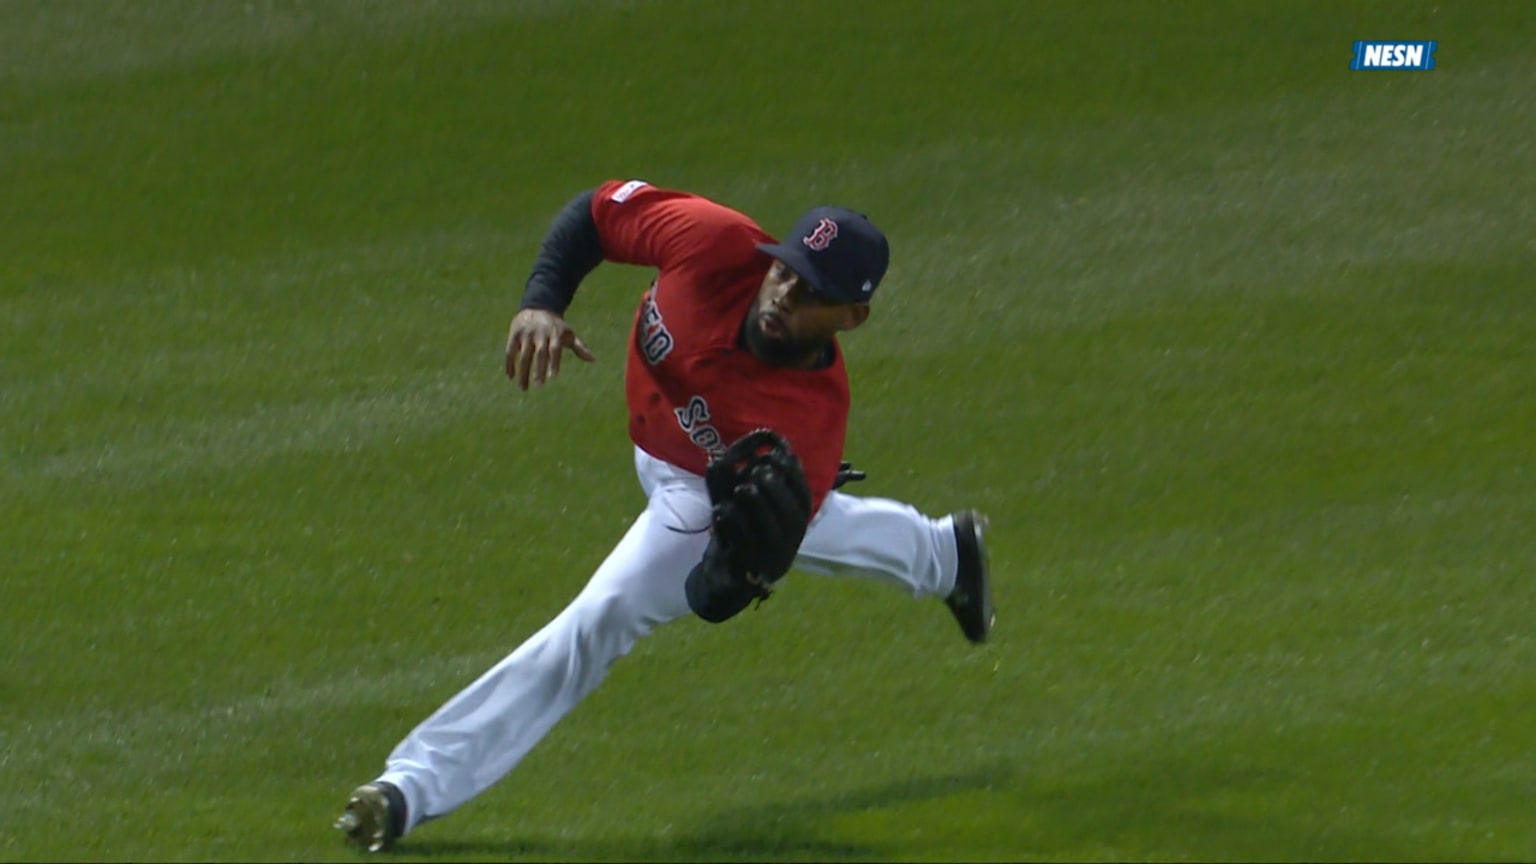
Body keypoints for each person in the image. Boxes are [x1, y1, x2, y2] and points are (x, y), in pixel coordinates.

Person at [333, 179, 995, 851]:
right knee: (812, 521)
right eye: (785, 272)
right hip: (672, 444)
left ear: (852, 317)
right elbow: (594, 213)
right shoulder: (710, 241)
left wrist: (721, 580)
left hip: (700, 490)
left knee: (604, 616)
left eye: (812, 293)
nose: (783, 296)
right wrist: (542, 302)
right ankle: (948, 554)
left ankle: (409, 788)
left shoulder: (810, 424)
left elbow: (726, 586)